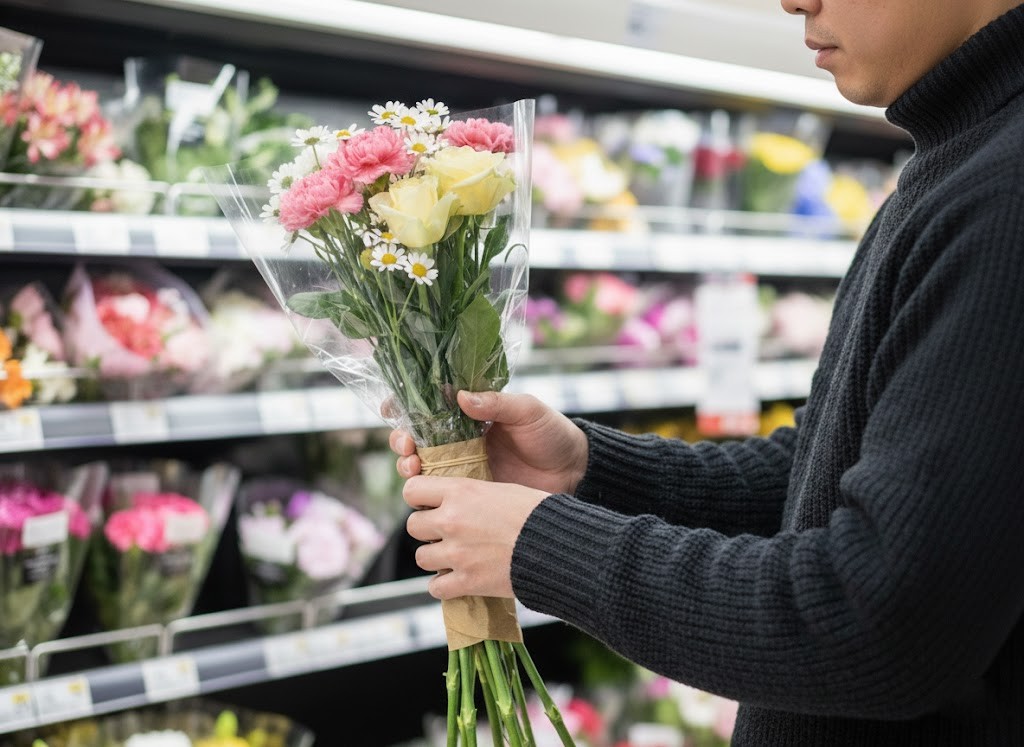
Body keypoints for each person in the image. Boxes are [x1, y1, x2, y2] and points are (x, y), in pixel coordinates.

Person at [390, 1, 1024, 743]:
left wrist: (544, 546)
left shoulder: (1005, 197)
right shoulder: (958, 161)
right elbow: (826, 471)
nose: (792, 1)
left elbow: (883, 623)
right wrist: (589, 470)